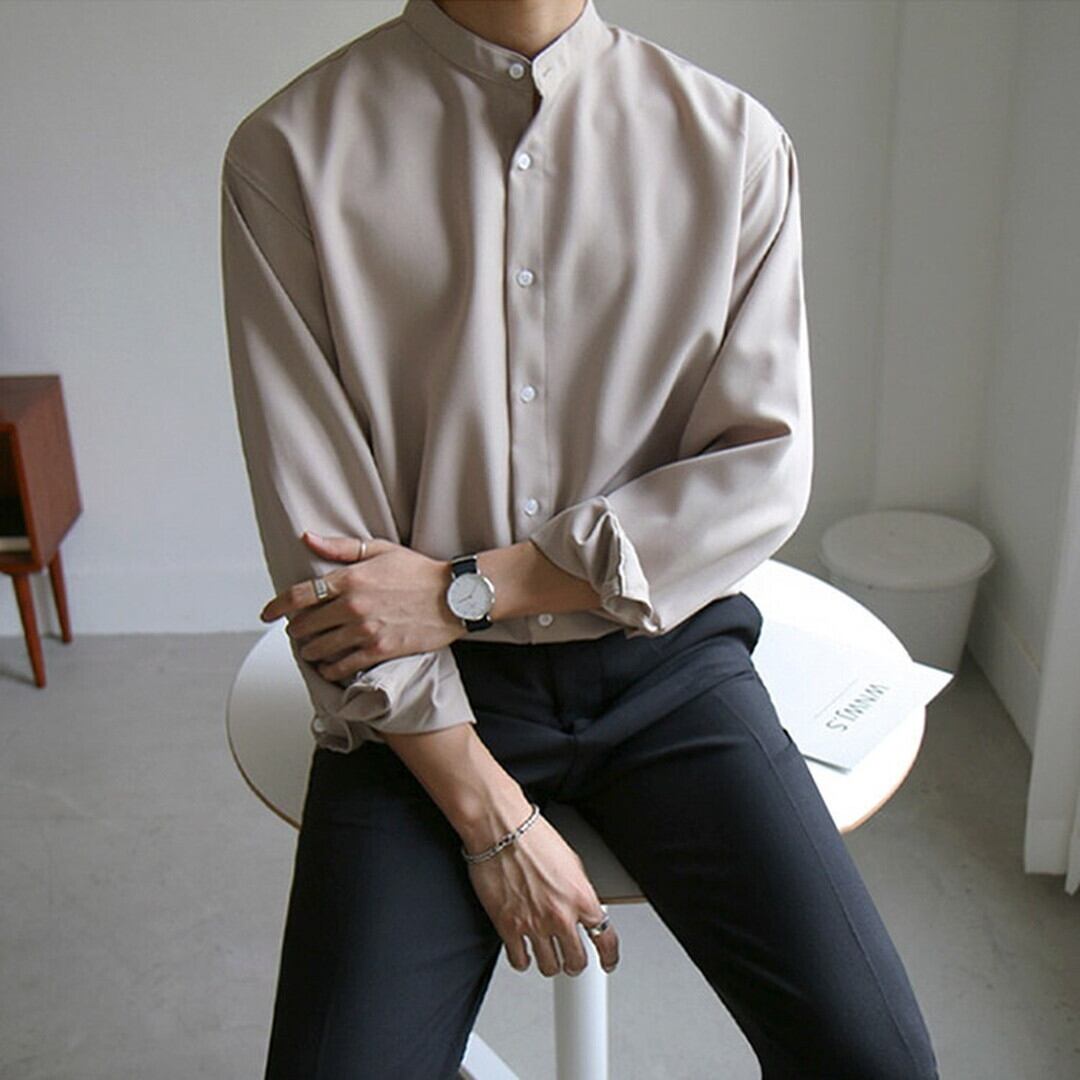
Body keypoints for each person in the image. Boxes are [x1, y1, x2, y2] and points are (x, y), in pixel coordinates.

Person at [220, 0, 940, 1076]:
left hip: (666, 666)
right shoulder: (290, 153)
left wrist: (467, 588)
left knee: (879, 1063)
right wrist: (494, 822)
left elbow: (761, 472)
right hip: (424, 696)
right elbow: (332, 562)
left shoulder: (734, 143)